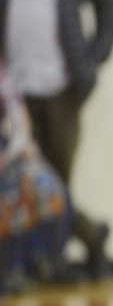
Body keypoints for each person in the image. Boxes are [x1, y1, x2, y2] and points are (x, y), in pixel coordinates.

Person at [0, 0, 113, 281]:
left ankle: (56, 260)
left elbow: (107, 2)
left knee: (56, 185)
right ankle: (85, 238)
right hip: (13, 93)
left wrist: (93, 58)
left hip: (61, 92)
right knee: (23, 182)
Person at [0, 59, 70, 293]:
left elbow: (19, 121)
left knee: (50, 189)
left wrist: (17, 150)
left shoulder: (4, 77)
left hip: (9, 155)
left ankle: (43, 262)